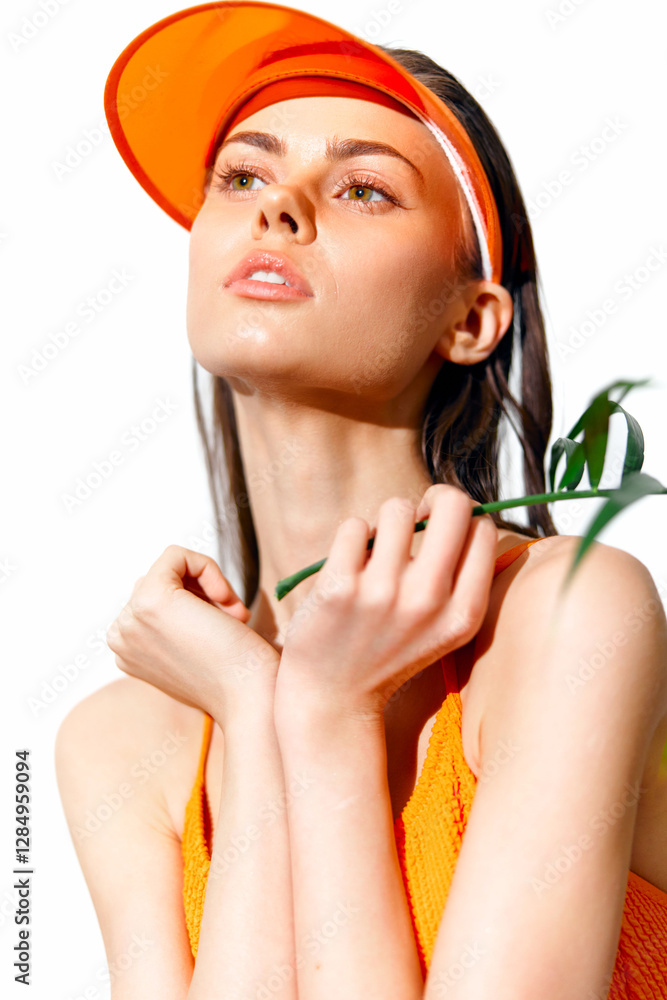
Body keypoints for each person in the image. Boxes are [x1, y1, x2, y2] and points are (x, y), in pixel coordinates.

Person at [55, 4, 667, 998]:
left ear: (470, 320)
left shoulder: (569, 612)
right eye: (242, 174)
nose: (278, 207)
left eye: (364, 189)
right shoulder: (126, 737)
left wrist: (333, 713)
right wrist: (259, 712)